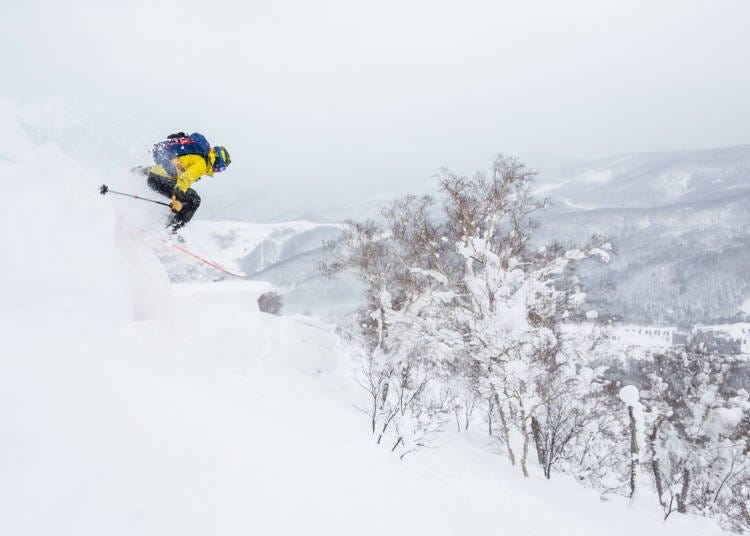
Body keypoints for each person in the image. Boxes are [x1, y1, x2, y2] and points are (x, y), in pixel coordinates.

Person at [133, 132, 231, 230]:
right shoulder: (202, 163)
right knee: (194, 200)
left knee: (185, 198)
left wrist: (144, 171)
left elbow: (172, 167)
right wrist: (178, 196)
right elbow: (185, 179)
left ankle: (167, 223)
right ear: (217, 161)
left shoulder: (196, 156)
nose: (217, 171)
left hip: (154, 175)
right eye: (221, 169)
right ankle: (171, 230)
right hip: (158, 180)